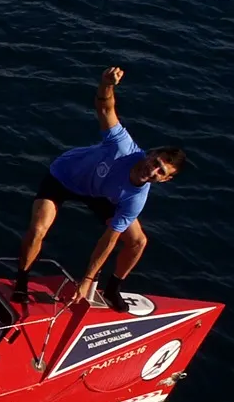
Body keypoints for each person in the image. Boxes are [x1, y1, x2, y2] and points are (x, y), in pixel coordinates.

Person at [14, 66, 186, 309]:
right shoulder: (122, 146)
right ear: (151, 154)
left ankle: (114, 289)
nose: (153, 171)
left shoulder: (135, 198)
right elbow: (106, 109)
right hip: (64, 177)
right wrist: (107, 84)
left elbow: (109, 239)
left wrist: (87, 279)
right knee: (39, 227)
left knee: (138, 241)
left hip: (101, 194)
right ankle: (21, 280)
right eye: (155, 163)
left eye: (161, 172)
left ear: (165, 180)